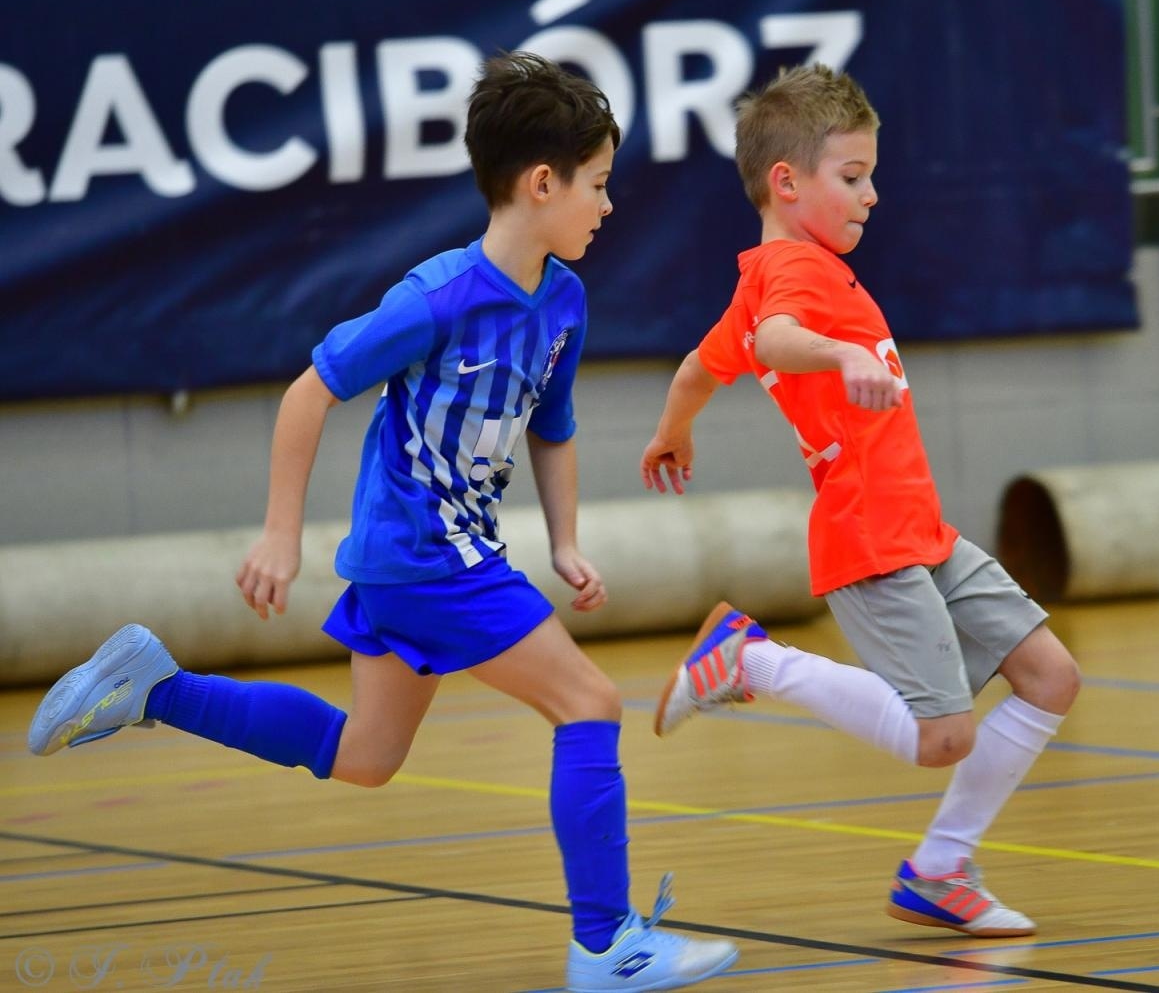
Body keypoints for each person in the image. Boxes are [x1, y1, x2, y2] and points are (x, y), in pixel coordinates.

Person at [29, 51, 738, 992]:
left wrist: (565, 542)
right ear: (540, 184)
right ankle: (607, 946)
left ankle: (153, 690)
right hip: (425, 558)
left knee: (365, 757)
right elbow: (306, 395)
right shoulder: (437, 297)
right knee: (592, 704)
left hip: (438, 559)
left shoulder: (564, 300)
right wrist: (281, 536)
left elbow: (553, 427)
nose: (608, 206)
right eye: (598, 185)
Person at [638, 64, 1082, 938]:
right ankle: (751, 664)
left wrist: (673, 429)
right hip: (869, 536)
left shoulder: (768, 276)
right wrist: (841, 359)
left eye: (871, 174)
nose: (872, 194)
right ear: (786, 182)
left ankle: (940, 872)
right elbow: (775, 340)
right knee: (941, 737)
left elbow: (702, 365)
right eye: (853, 177)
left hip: (922, 530)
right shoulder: (793, 272)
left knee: (1051, 677)